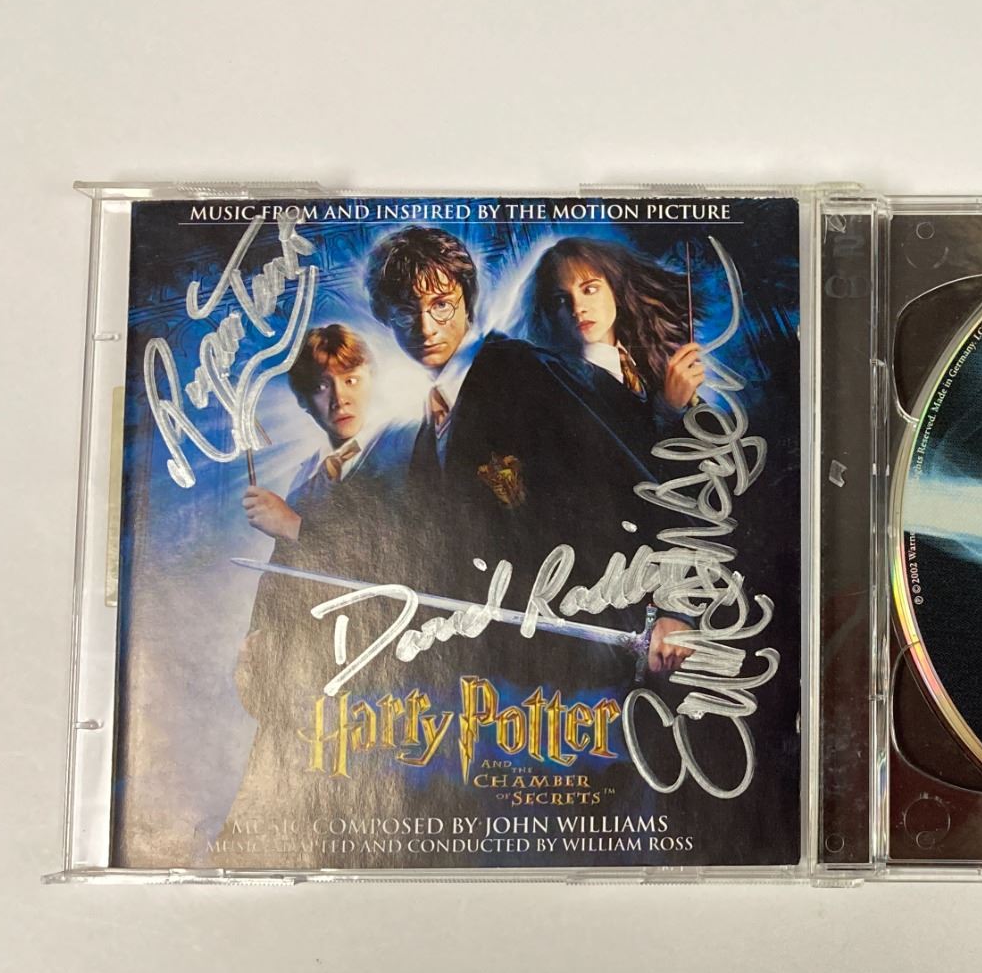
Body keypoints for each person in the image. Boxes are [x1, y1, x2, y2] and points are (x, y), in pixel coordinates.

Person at [363, 227, 692, 687]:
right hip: (517, 666)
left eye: (441, 304)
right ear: (386, 318)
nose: (425, 327)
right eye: (404, 312)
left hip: (607, 650)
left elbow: (643, 480)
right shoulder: (425, 425)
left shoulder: (529, 370)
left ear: (466, 299)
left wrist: (672, 607)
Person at [221, 324, 418, 862]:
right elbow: (283, 576)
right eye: (322, 386)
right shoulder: (309, 474)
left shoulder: (404, 451)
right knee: (265, 837)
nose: (340, 397)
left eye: (351, 379)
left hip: (370, 684)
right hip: (300, 685)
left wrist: (293, 526)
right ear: (305, 401)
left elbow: (399, 565)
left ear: (373, 378)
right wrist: (258, 639)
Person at [527, 236, 707, 446]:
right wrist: (668, 409)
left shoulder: (647, 359)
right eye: (561, 299)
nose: (577, 308)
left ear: (616, 290)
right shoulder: (563, 383)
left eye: (589, 289)